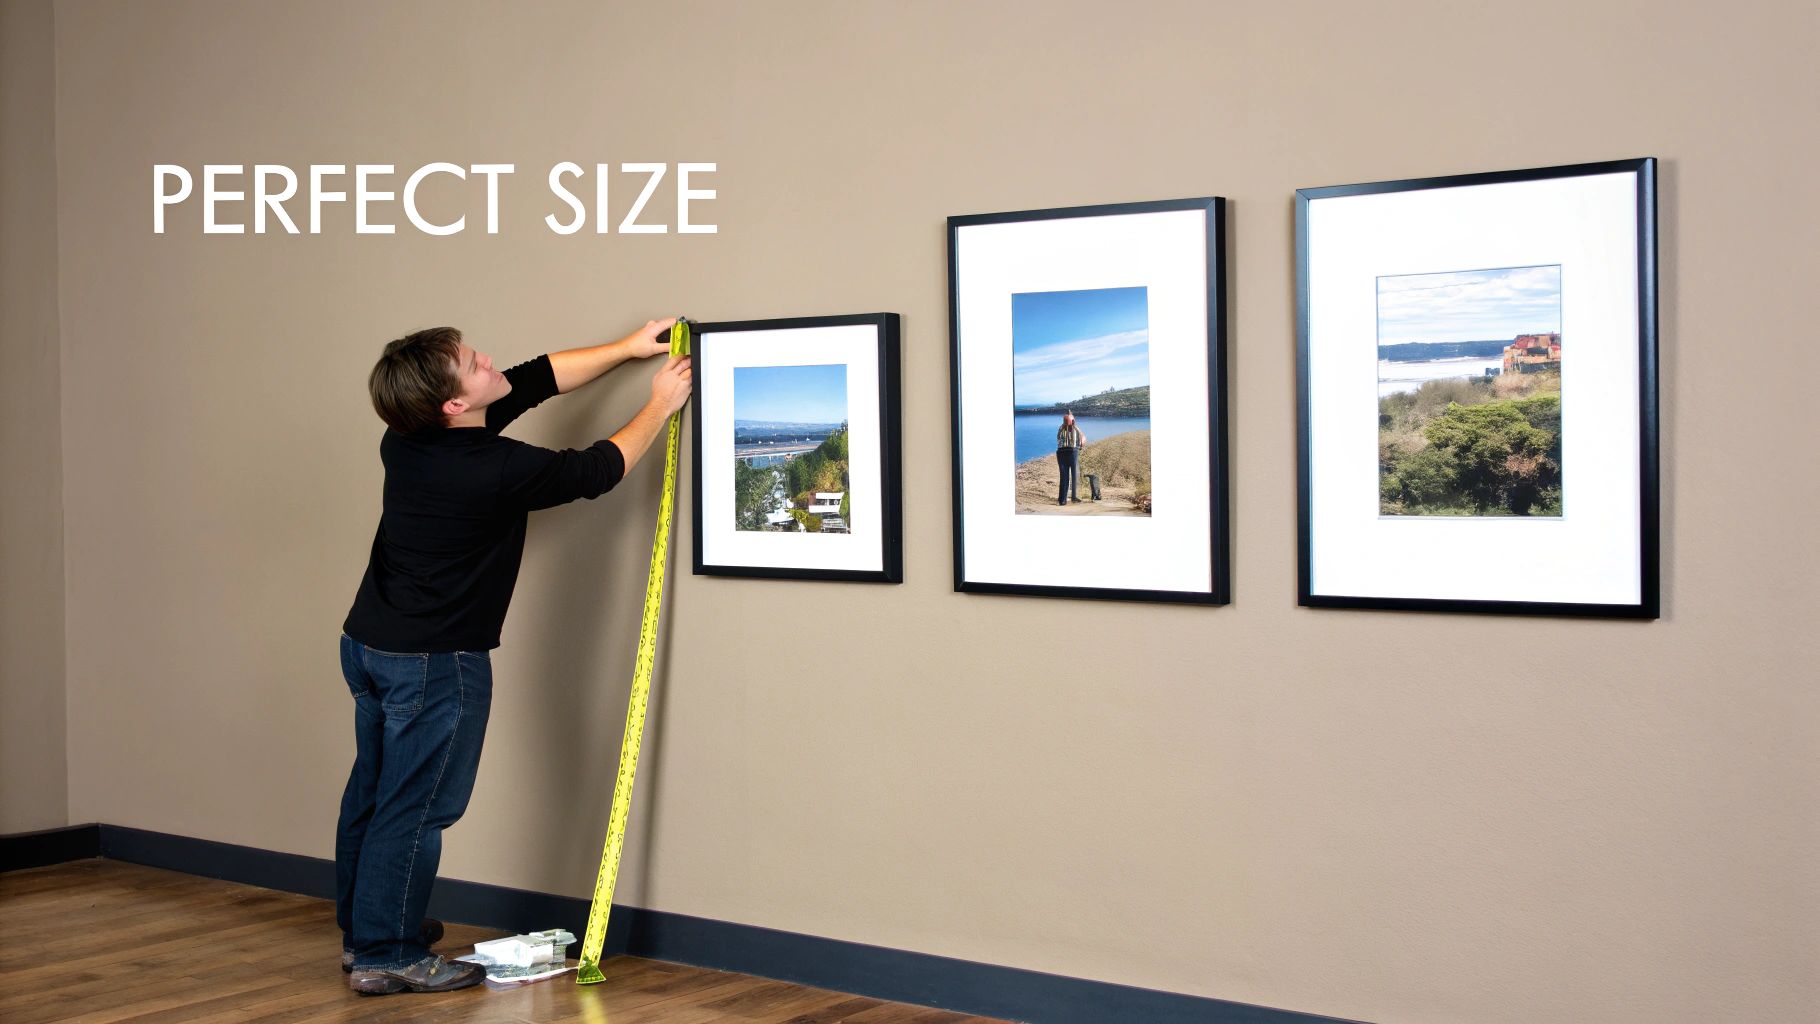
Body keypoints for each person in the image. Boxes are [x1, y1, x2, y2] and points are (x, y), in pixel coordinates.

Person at [335, 320, 692, 994]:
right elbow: (596, 470)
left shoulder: (407, 438)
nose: (488, 359)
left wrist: (625, 348)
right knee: (417, 808)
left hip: (371, 646)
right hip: (434, 663)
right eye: (473, 364)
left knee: (375, 796)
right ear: (454, 405)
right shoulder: (491, 468)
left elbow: (534, 377)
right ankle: (388, 954)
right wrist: (660, 402)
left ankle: (369, 933)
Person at [1056, 410, 1086, 505]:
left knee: (1064, 476)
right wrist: (1080, 446)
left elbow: (1058, 439)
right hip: (1072, 452)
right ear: (1073, 421)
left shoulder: (1061, 429)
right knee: (1074, 475)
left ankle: (1063, 499)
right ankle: (1073, 497)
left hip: (1062, 452)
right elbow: (1082, 440)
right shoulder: (1075, 428)